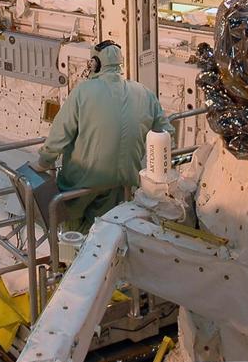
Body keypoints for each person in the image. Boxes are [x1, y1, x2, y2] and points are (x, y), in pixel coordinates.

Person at [36, 41, 170, 232]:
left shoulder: (82, 92)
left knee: (74, 235)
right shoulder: (144, 93)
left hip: (81, 184)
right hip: (125, 183)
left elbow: (60, 134)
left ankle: (72, 258)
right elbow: (165, 131)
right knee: (108, 231)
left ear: (95, 63)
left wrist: (43, 162)